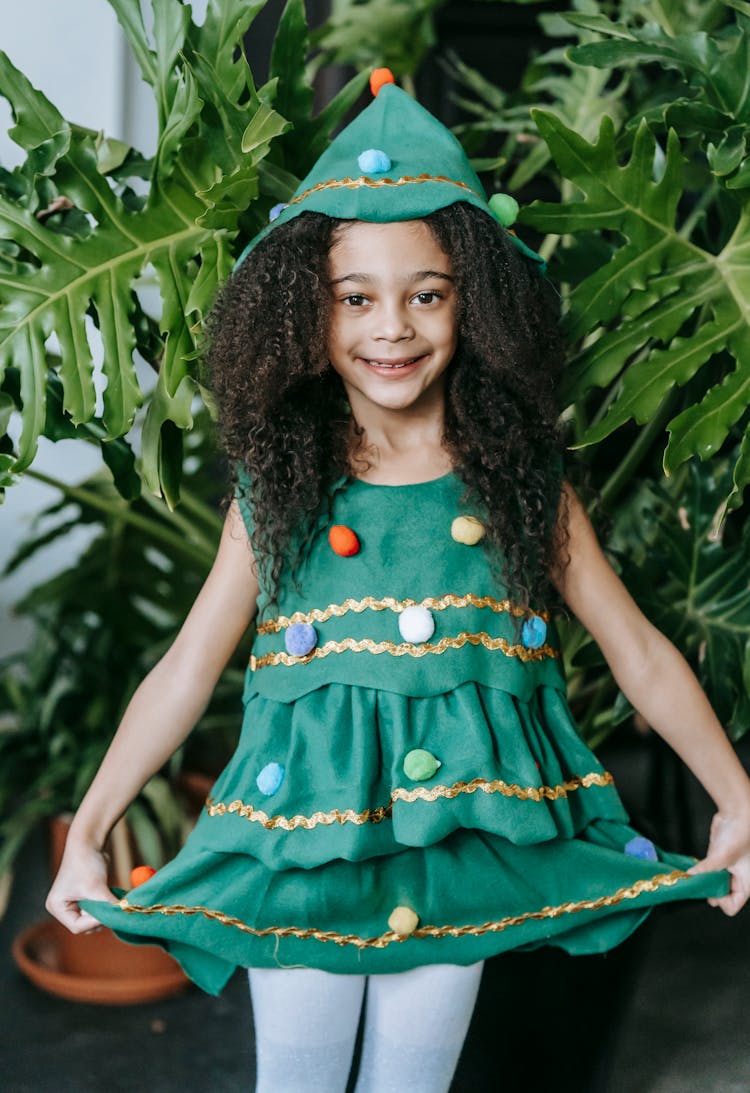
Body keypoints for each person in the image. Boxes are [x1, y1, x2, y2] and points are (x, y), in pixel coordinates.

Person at [47, 70, 750, 1093]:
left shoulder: (523, 487)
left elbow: (636, 649)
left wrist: (736, 799)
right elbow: (187, 668)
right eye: (355, 299)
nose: (395, 328)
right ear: (306, 313)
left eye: (427, 294)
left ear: (476, 302)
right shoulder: (280, 488)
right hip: (303, 847)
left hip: (457, 843)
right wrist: (93, 830)